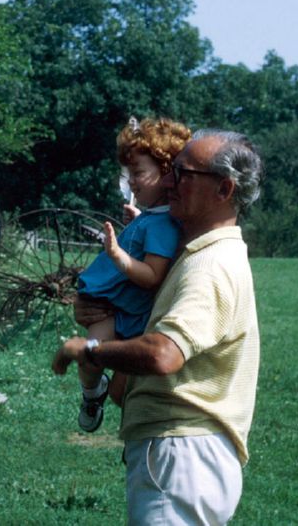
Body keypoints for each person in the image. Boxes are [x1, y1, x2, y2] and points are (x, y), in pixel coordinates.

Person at [52, 129, 263, 525]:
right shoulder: (197, 254)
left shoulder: (210, 267)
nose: (168, 182)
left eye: (182, 173)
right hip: (180, 454)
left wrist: (88, 350)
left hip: (181, 458)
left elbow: (164, 354)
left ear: (224, 189)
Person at [74, 117, 191, 432]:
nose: (132, 182)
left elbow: (152, 275)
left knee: (89, 356)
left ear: (166, 173)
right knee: (89, 359)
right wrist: (139, 220)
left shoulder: (164, 224)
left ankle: (91, 395)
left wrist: (117, 255)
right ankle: (91, 392)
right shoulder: (155, 217)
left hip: (122, 313)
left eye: (139, 173)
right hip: (112, 305)